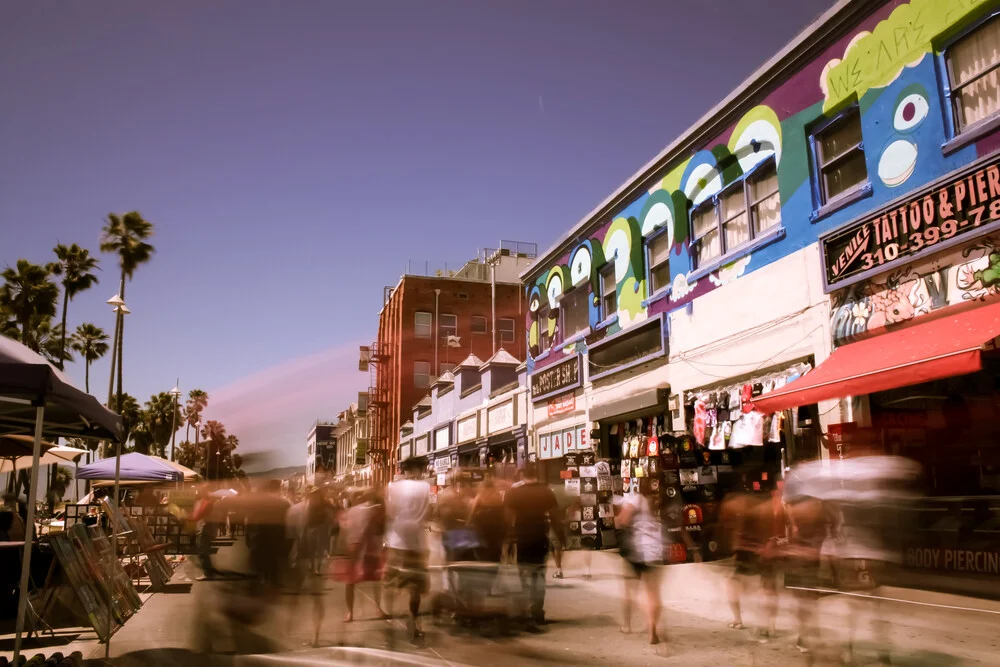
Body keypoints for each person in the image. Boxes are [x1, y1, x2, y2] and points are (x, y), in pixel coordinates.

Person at [503, 462, 563, 630]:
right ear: (536, 474)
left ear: (522, 476)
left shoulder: (514, 493)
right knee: (538, 575)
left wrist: (507, 542)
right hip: (539, 539)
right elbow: (556, 517)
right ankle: (537, 611)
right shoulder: (546, 492)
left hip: (522, 540)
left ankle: (525, 612)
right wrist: (561, 538)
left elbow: (508, 519)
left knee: (523, 574)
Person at [384, 459, 432, 642]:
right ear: (419, 469)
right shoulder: (425, 487)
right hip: (417, 543)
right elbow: (429, 513)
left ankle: (389, 613)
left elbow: (389, 512)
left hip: (396, 541)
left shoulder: (392, 487)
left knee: (391, 580)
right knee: (416, 587)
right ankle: (412, 616)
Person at [615, 485, 665, 644]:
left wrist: (622, 520)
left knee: (630, 590)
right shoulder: (653, 502)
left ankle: (627, 625)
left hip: (637, 550)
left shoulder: (636, 498)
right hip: (653, 549)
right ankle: (652, 630)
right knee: (653, 593)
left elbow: (623, 519)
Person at [338, 488, 387, 622]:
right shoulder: (359, 511)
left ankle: (352, 612)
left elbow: (343, 533)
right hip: (362, 549)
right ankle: (372, 609)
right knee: (368, 580)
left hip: (360, 549)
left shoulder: (355, 512)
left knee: (353, 582)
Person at [192, 487, 220, 581]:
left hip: (203, 528)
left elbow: (199, 515)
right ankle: (209, 571)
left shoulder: (206, 502)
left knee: (202, 551)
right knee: (204, 551)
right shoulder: (208, 501)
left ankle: (207, 573)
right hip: (205, 528)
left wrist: (190, 517)